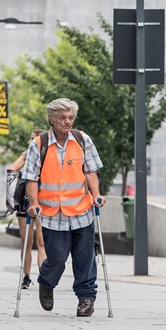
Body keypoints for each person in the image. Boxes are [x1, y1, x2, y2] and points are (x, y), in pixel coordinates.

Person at [24, 98, 105, 317]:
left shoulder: (81, 139)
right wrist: (33, 204)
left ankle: (86, 297)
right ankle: (46, 282)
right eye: (62, 118)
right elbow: (31, 178)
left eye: (70, 117)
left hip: (81, 210)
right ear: (52, 120)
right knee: (57, 258)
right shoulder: (39, 145)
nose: (67, 121)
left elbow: (91, 171)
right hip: (52, 213)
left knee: (85, 257)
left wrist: (96, 195)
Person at [8, 129, 47, 289]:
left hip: (45, 199)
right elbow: (12, 169)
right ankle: (26, 276)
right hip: (26, 200)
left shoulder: (48, 154)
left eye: (35, 139)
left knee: (42, 241)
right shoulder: (26, 154)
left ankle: (44, 277)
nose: (32, 141)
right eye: (31, 138)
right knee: (27, 240)